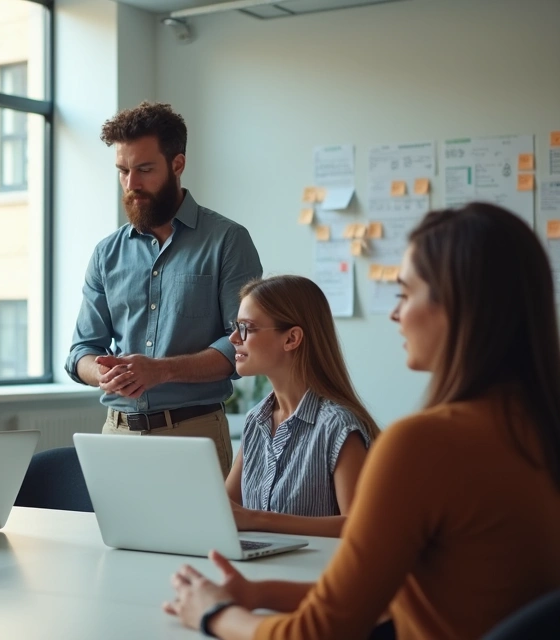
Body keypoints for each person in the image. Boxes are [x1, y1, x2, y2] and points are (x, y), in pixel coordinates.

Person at [164, 203, 560, 639]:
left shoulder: (423, 444)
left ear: (456, 305)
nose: (394, 314)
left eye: (405, 294)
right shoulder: (534, 429)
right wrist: (261, 593)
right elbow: (404, 592)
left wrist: (212, 613)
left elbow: (318, 632)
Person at [66, 101, 262, 475]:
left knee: (199, 537)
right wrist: (103, 372)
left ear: (177, 164)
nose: (131, 184)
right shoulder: (107, 253)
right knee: (110, 538)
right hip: (115, 435)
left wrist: (161, 371)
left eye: (144, 169)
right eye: (122, 170)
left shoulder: (227, 241)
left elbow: (241, 342)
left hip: (193, 434)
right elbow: (81, 352)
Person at [225, 275, 379, 538]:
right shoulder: (256, 421)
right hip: (258, 571)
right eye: (235, 326)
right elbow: (225, 509)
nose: (233, 338)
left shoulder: (338, 426)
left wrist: (257, 519)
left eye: (246, 328)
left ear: (292, 338)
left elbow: (360, 526)